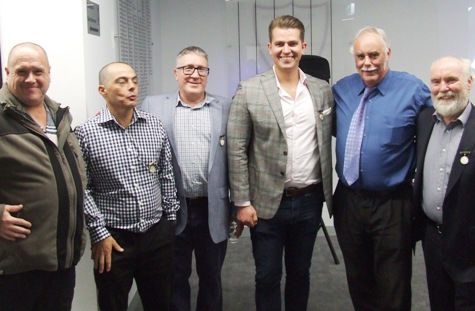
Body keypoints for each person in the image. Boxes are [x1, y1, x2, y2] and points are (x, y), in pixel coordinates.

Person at [227, 15, 334, 311]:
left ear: (303, 46)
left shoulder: (321, 90)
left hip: (309, 200)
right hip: (265, 204)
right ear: (269, 47)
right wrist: (242, 202)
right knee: (267, 277)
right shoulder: (249, 89)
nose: (286, 50)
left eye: (292, 43)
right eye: (280, 44)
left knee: (301, 274)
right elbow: (236, 149)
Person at [332, 26, 432, 310]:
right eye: (360, 56)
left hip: (392, 204)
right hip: (349, 202)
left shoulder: (413, 90)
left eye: (374, 54)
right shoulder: (342, 89)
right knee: (359, 280)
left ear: (387, 53)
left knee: (393, 283)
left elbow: (438, 127)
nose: (367, 62)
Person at [75, 62, 179, 311]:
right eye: (121, 82)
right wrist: (99, 233)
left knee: (161, 303)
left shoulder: (153, 126)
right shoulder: (86, 134)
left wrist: (170, 219)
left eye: (133, 80)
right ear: (103, 90)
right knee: (113, 304)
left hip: (156, 234)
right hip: (114, 239)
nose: (131, 86)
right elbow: (82, 188)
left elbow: (166, 173)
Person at [140, 46, 233, 311]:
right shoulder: (153, 105)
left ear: (207, 73)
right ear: (176, 73)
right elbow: (130, 130)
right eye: (187, 68)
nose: (194, 74)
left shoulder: (225, 107)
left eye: (201, 68)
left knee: (211, 279)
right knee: (174, 278)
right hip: (171, 209)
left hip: (212, 209)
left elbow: (238, 155)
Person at [0, 42, 86, 311]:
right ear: (7, 72)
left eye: (38, 71)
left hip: (62, 261)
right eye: (21, 71)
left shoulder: (60, 116)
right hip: (17, 266)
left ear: (49, 73)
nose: (30, 79)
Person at [414, 56, 475, 311]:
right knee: (439, 303)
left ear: (469, 82)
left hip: (469, 245)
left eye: (451, 80)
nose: (443, 87)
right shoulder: (426, 119)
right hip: (433, 239)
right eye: (436, 81)